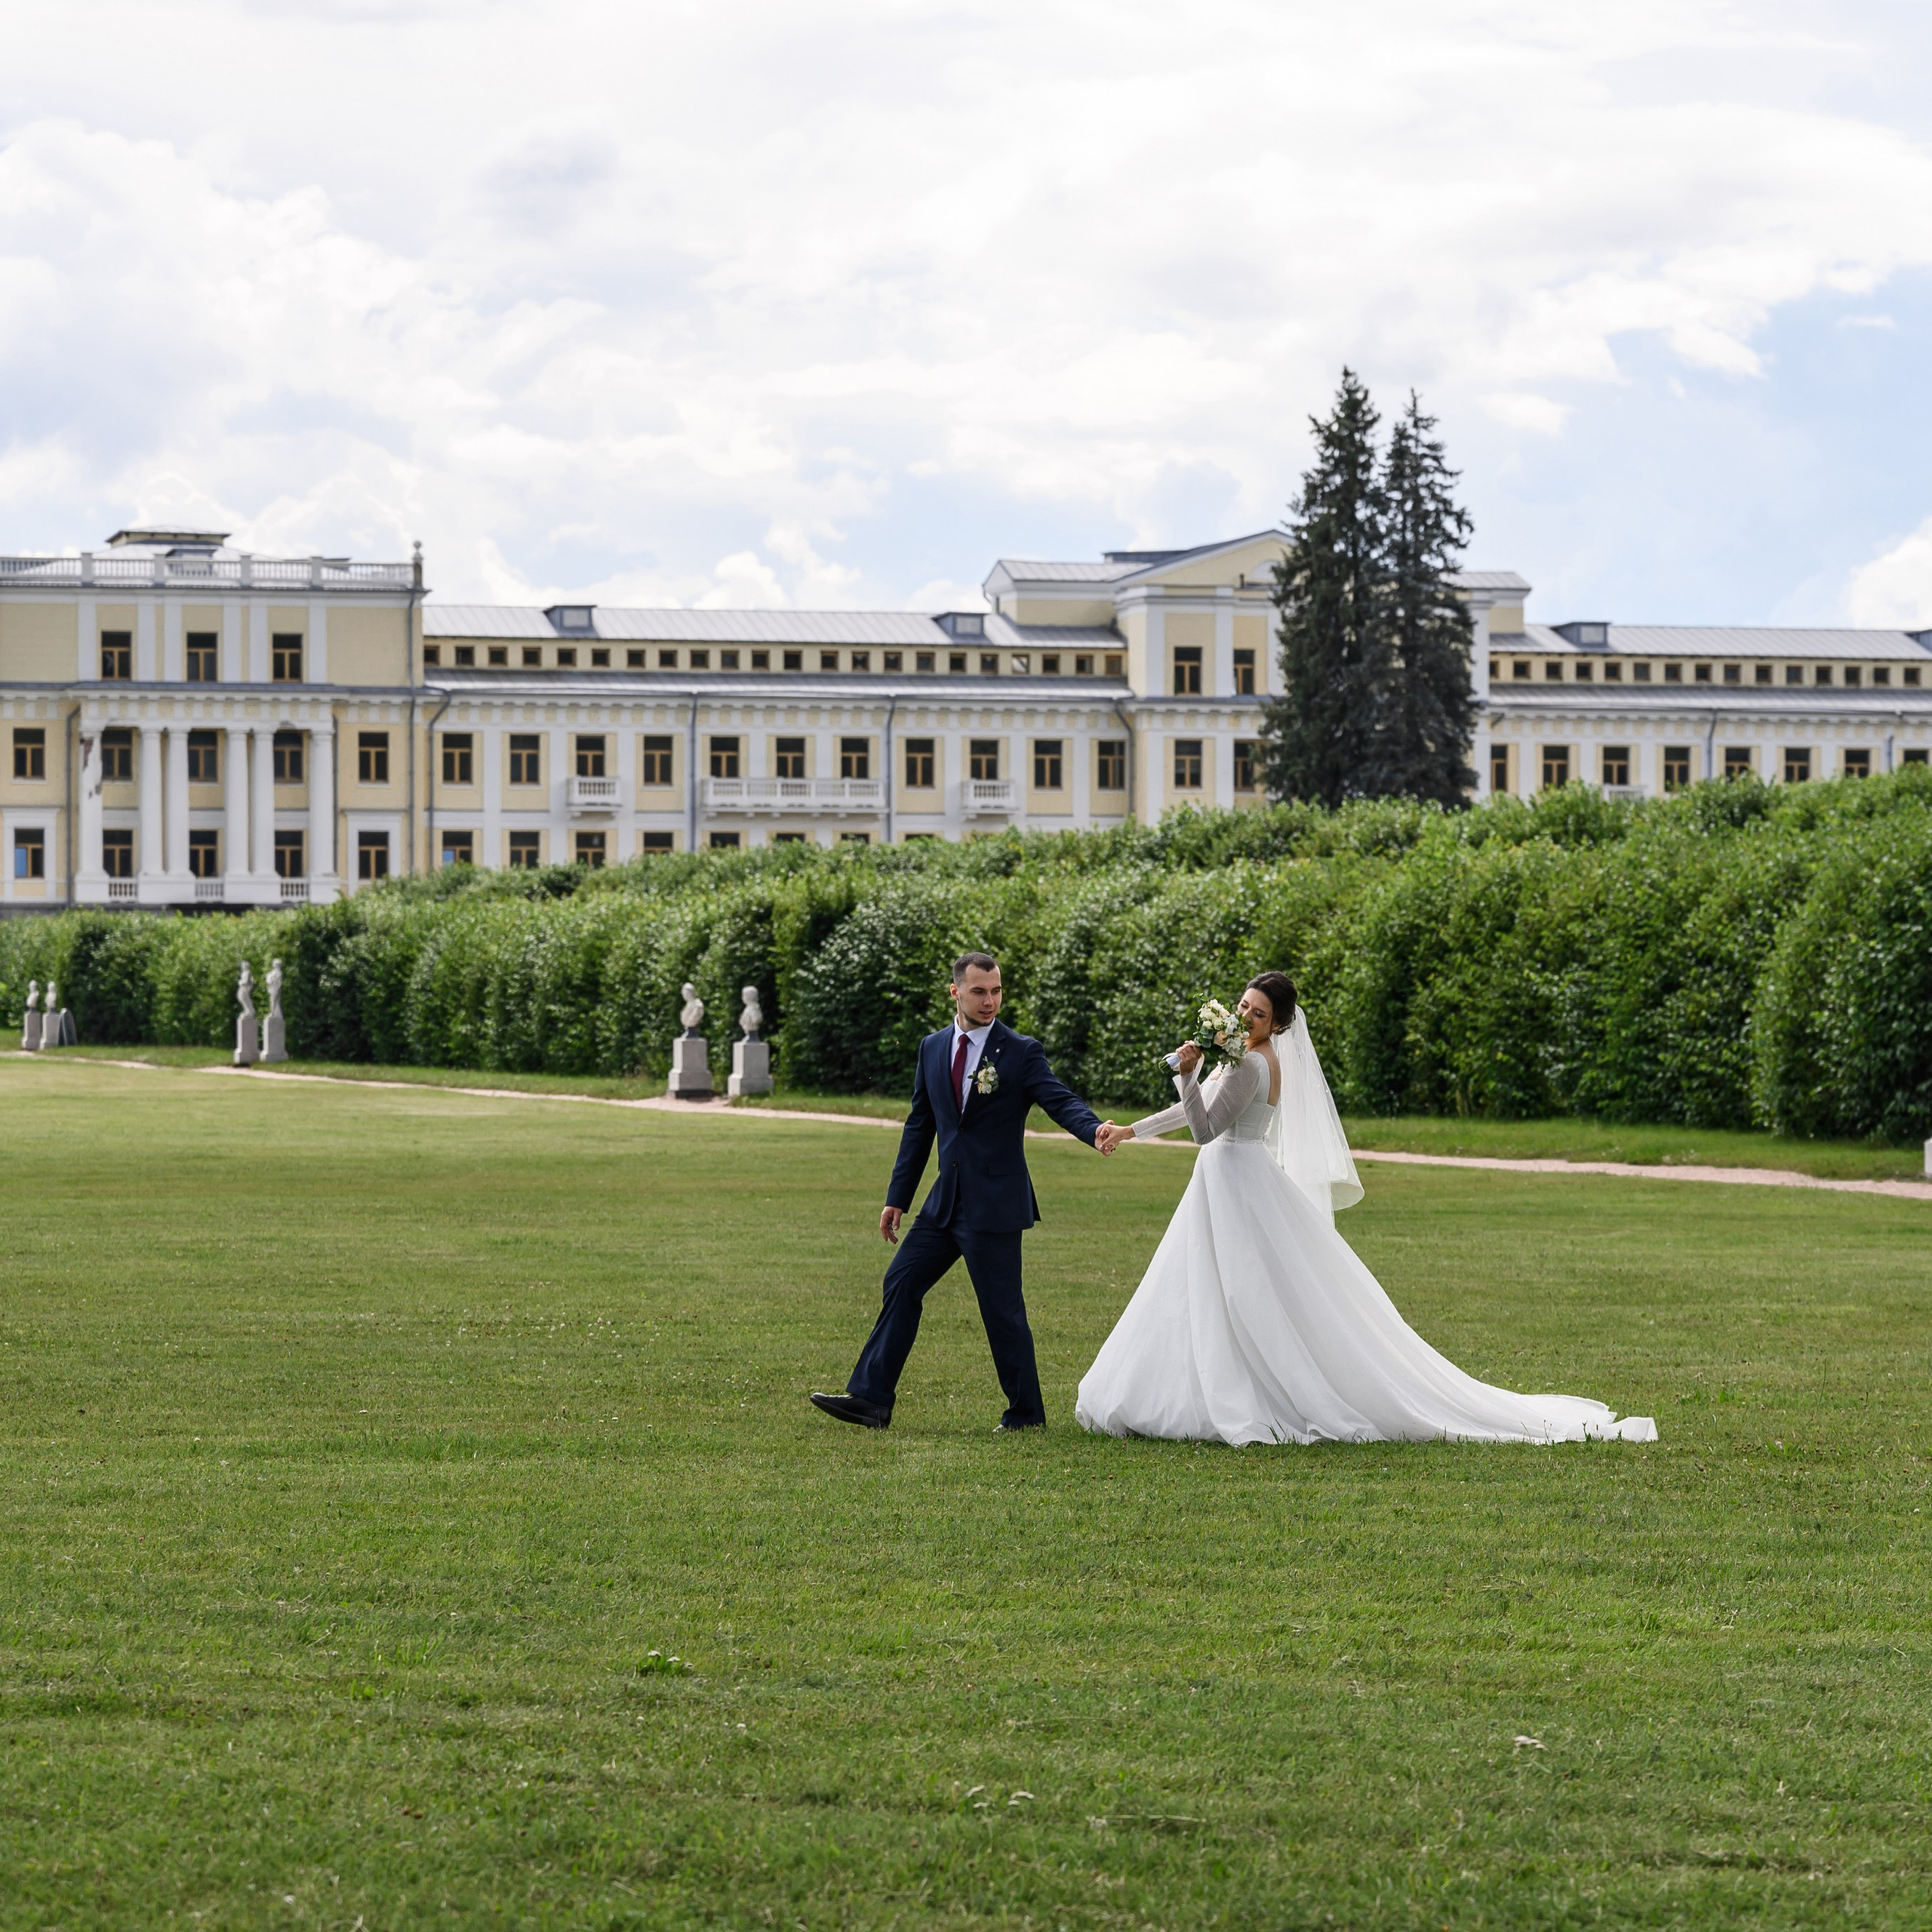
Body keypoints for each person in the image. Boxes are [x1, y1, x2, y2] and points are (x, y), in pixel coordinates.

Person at [1078, 971, 1656, 1447]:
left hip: (1234, 1178)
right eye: (1241, 1007)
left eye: (1257, 1013)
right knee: (1208, 1290)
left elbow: (1204, 1129)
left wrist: (1187, 1072)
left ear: (1278, 1023)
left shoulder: (1254, 1064)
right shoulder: (1243, 1057)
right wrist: (1130, 1129)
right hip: (1229, 1181)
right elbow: (1197, 1111)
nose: (1245, 1018)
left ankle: (1248, 1394)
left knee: (1242, 1292)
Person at [811, 951, 1110, 1433]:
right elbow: (920, 1124)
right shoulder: (932, 1047)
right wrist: (898, 1197)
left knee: (1002, 1312)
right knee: (902, 1282)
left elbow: (1058, 1098)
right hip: (943, 1202)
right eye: (978, 991)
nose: (989, 1001)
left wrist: (1093, 1129)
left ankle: (1026, 1415)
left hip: (994, 1204)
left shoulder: (1021, 1051)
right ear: (956, 992)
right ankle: (870, 1401)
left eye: (995, 991)